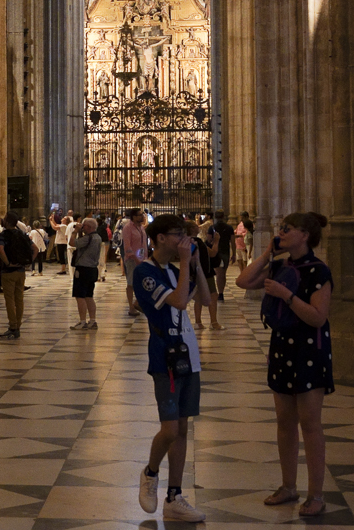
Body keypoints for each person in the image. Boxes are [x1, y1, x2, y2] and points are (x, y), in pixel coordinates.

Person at [235, 211, 333, 518]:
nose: (281, 232)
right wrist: (267, 253)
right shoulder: (280, 266)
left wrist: (286, 295)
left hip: (309, 349)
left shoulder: (319, 271)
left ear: (305, 235)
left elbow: (318, 317)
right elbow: (242, 281)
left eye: (287, 229)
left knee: (310, 424)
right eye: (281, 228)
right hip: (282, 347)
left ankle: (316, 495)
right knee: (284, 422)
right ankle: (288, 486)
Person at [134, 214, 209, 523]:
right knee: (170, 429)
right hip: (165, 355)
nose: (182, 239)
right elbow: (179, 301)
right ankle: (150, 473)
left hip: (188, 352)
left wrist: (196, 265)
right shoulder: (145, 272)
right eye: (178, 234)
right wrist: (185, 263)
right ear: (161, 238)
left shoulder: (176, 270)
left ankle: (174, 497)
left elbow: (205, 298)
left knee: (182, 428)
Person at [0, 210, 34, 338]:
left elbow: (1, 249)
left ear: (7, 222)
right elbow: (35, 248)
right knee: (19, 299)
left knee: (9, 300)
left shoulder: (3, 235)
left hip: (8, 272)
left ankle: (12, 326)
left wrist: (7, 263)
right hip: (21, 271)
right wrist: (28, 262)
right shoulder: (22, 234)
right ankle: (18, 325)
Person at [185, 220, 220, 330]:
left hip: (194, 273)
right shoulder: (198, 242)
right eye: (196, 226)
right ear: (191, 229)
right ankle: (214, 322)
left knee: (198, 297)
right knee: (213, 295)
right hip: (205, 272)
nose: (198, 227)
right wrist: (216, 241)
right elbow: (212, 253)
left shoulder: (187, 242)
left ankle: (198, 322)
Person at [69, 217, 102, 329]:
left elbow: (72, 242)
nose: (82, 228)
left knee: (80, 296)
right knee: (89, 296)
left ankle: (82, 321)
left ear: (88, 227)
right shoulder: (97, 237)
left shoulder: (88, 238)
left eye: (84, 226)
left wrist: (75, 231)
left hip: (83, 269)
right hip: (92, 269)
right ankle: (92, 320)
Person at [208, 210, 236, 303]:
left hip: (216, 252)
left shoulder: (212, 228)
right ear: (223, 217)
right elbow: (233, 242)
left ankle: (220, 293)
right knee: (222, 273)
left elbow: (209, 241)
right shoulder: (229, 227)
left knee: (219, 274)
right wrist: (234, 254)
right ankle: (221, 292)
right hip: (225, 252)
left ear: (215, 217)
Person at [123, 208, 147, 315]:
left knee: (142, 282)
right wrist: (135, 258)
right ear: (133, 216)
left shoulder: (141, 227)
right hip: (132, 260)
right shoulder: (128, 228)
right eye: (139, 215)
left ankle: (137, 303)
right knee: (131, 283)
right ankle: (131, 307)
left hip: (142, 259)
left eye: (142, 214)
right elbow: (127, 246)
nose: (142, 216)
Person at [96, 214, 111, 281]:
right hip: (103, 244)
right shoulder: (103, 228)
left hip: (100, 245)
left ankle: (100, 275)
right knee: (102, 260)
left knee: (99, 260)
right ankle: (102, 274)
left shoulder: (99, 229)